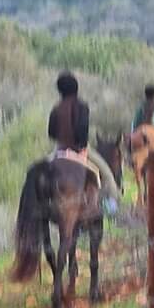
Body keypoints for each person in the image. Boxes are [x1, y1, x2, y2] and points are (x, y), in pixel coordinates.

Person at [47, 71, 120, 215]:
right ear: (76, 87)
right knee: (107, 176)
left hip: (59, 150)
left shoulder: (56, 108)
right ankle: (110, 208)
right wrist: (80, 147)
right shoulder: (82, 106)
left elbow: (51, 133)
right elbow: (82, 130)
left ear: (60, 90)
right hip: (79, 149)